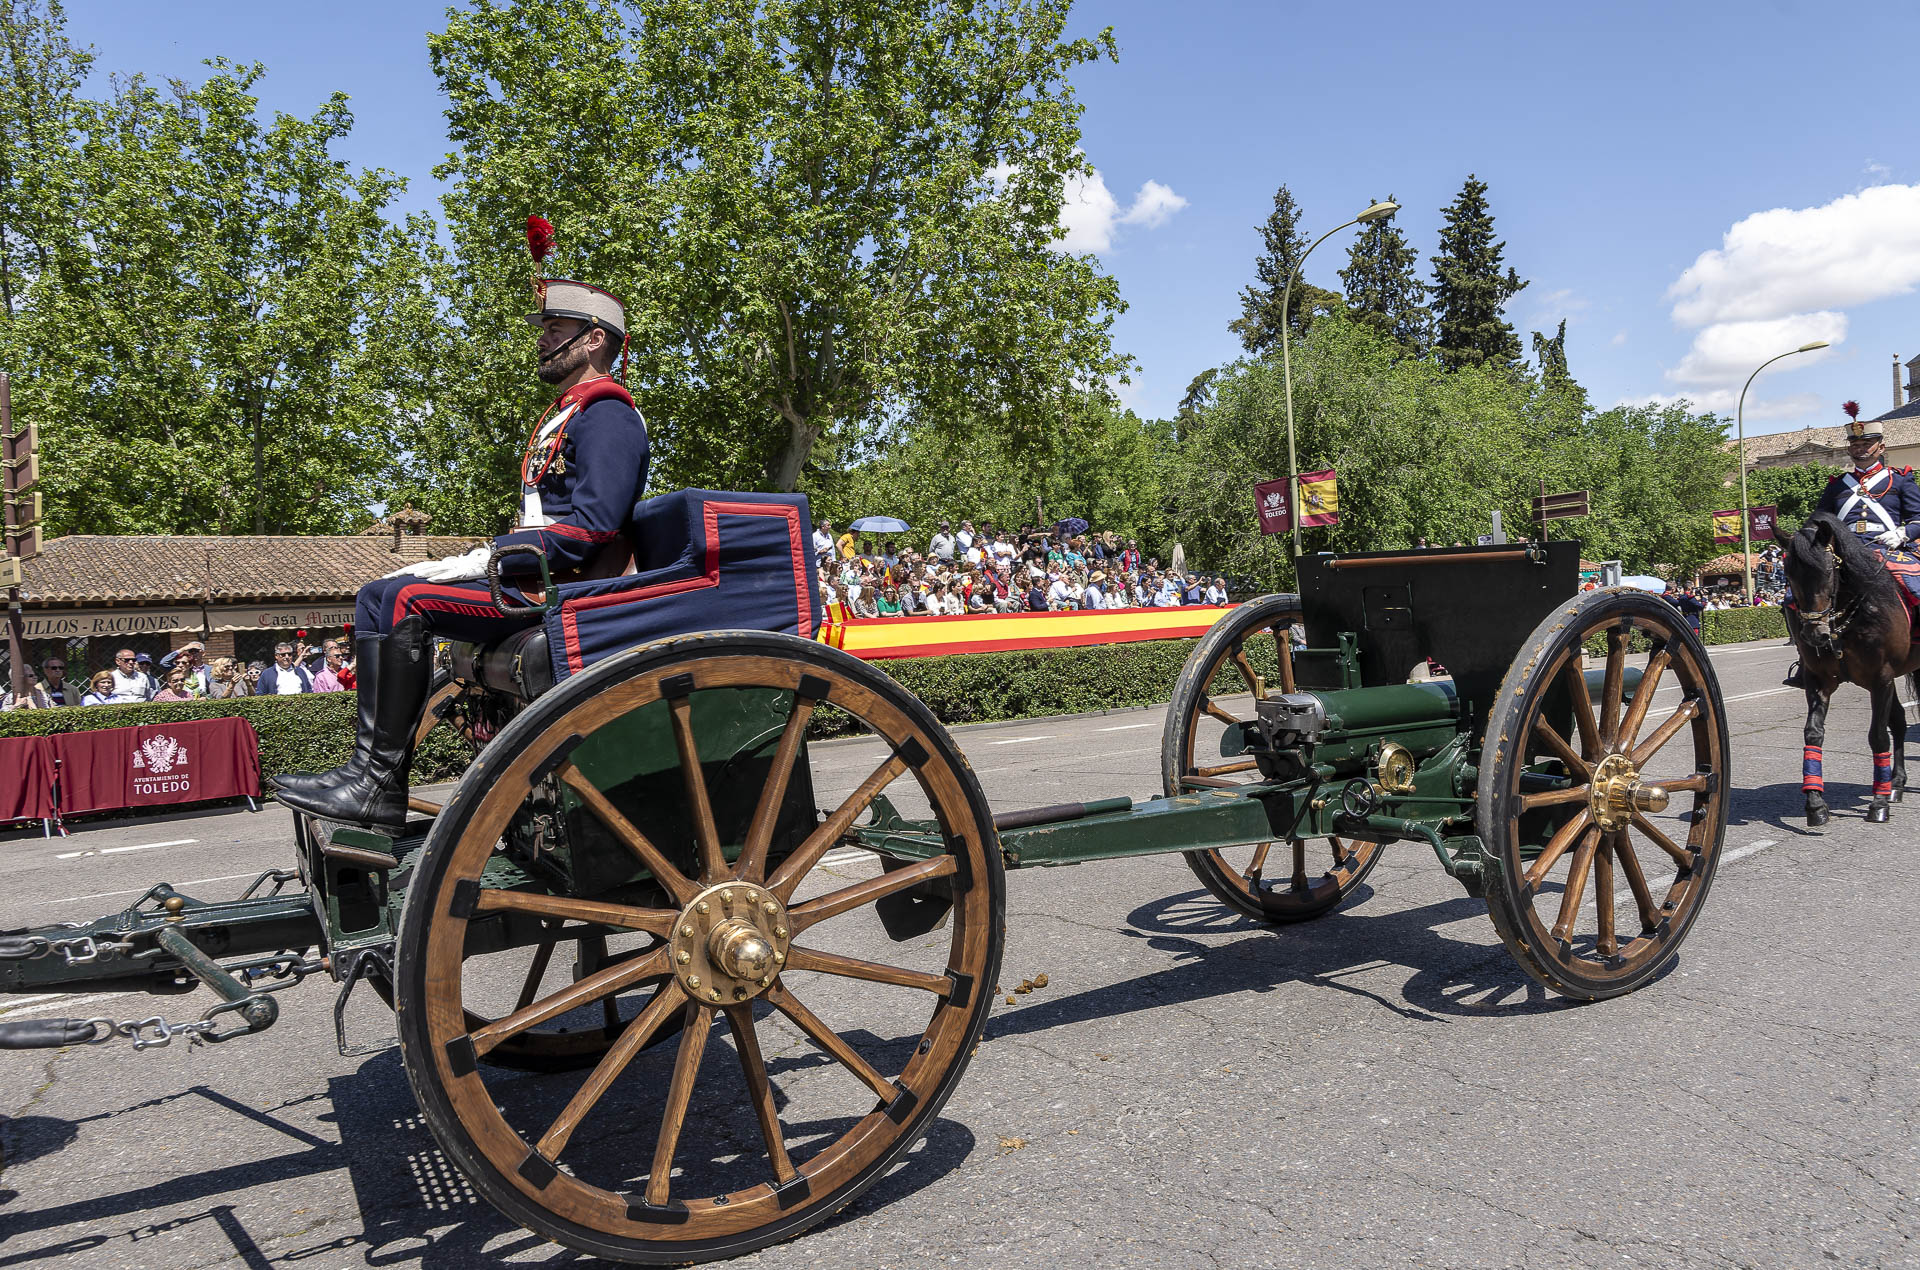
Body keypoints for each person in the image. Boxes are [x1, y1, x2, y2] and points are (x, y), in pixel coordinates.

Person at [277, 273, 650, 828]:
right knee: (377, 595)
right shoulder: (572, 412)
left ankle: (378, 784)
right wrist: (498, 554)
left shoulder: (608, 415)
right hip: (537, 576)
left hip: (567, 588)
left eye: (555, 328)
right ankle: (368, 771)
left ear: (594, 339)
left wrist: (494, 555)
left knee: (403, 600)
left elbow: (591, 529)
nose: (542, 340)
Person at [1811, 404, 1920, 607]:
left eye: (1866, 444)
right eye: (1855, 445)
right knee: (1797, 594)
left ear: (1881, 447)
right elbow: (1818, 521)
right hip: (1843, 552)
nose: (1859, 449)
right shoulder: (1837, 484)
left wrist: (1901, 534)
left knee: (1915, 585)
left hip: (1887, 548)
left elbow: (1918, 519)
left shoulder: (1900, 479)